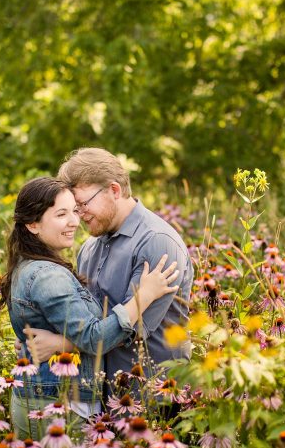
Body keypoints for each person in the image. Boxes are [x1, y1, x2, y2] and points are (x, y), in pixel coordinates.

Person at [0, 177, 179, 436]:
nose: (74, 221)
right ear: (33, 224)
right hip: (56, 402)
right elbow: (94, 338)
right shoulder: (47, 275)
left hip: (48, 397)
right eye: (61, 214)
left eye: (74, 210)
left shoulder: (32, 266)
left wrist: (63, 343)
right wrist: (144, 296)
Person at [27, 148, 193, 390]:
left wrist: (62, 343)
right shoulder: (89, 248)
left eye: (82, 204)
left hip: (154, 399)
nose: (79, 216)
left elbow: (132, 332)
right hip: (102, 401)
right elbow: (85, 320)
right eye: (74, 208)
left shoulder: (157, 242)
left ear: (114, 190)